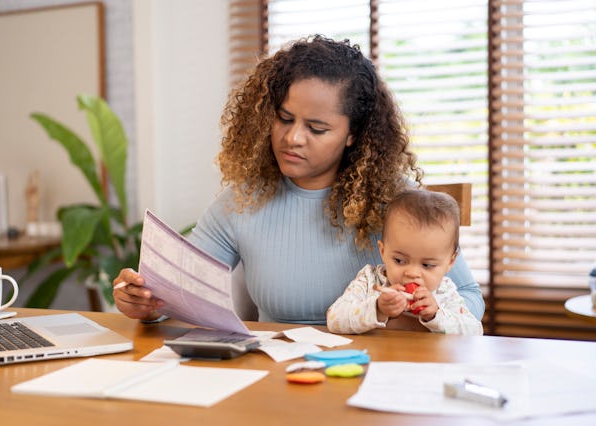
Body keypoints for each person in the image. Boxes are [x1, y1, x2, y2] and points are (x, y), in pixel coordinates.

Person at [112, 35, 484, 325]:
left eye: (317, 128)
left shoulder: (397, 201)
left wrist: (426, 311)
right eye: (285, 119)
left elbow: (468, 298)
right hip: (281, 376)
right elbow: (178, 289)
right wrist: (146, 301)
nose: (293, 138)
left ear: (354, 133)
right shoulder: (242, 200)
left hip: (380, 368)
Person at [327, 189, 483, 335]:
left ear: (450, 262)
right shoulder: (370, 281)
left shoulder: (445, 292)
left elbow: (475, 331)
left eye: (427, 265)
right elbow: (334, 319)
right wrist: (377, 308)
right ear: (383, 251)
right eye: (400, 260)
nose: (412, 273)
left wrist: (435, 315)